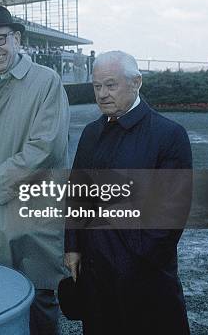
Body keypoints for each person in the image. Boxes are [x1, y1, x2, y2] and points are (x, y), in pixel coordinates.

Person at [0, 4, 70, 335]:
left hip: (31, 212)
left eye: (0, 39)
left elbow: (46, 149)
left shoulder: (46, 81)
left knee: (38, 300)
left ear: (18, 39)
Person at [64, 51, 192, 334]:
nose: (102, 94)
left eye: (111, 85)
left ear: (137, 83)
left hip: (143, 277)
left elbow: (171, 214)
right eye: (97, 86)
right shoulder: (90, 133)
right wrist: (72, 245)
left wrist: (132, 262)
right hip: (95, 272)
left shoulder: (168, 134)